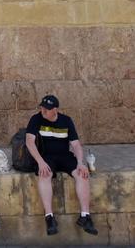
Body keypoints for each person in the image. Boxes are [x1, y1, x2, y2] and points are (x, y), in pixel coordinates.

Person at [24, 94, 97, 237]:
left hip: (64, 155)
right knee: (45, 174)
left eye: (47, 109)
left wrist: (80, 163)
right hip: (46, 157)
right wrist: (40, 162)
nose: (43, 111)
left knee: (82, 175)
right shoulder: (36, 119)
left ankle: (85, 216)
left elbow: (75, 144)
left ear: (55, 110)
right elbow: (29, 142)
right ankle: (49, 217)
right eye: (42, 108)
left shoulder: (66, 121)